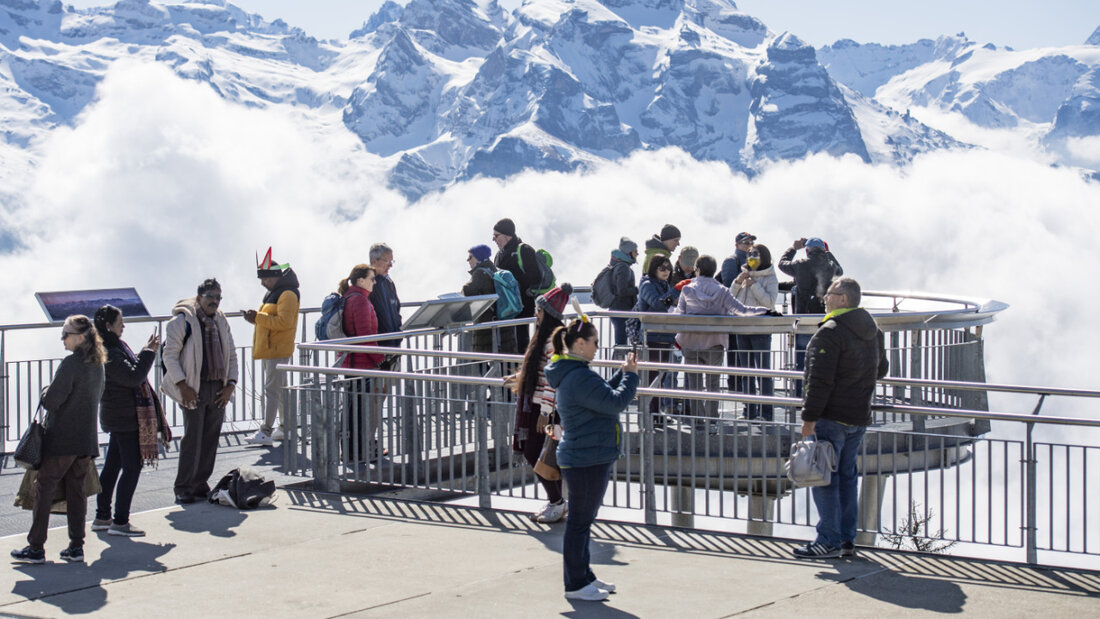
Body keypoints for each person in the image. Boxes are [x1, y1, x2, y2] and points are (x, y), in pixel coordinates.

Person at [544, 317, 639, 601]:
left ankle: (584, 576)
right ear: (580, 344)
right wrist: (632, 376)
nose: (598, 347)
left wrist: (622, 375)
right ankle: (575, 585)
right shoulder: (578, 376)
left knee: (583, 521)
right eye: (595, 342)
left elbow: (601, 395)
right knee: (579, 523)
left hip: (588, 455)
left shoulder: (576, 373)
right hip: (585, 457)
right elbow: (614, 402)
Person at [793, 277, 888, 559]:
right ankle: (847, 539)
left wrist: (808, 419)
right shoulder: (873, 331)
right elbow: (880, 370)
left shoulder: (830, 333)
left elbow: (819, 382)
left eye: (831, 293)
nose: (825, 296)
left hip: (831, 417)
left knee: (824, 478)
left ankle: (828, 540)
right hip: (859, 416)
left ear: (843, 299)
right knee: (847, 477)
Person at [11, 315, 105, 564]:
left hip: (62, 439)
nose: (62, 338)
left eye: (66, 333)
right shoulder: (97, 364)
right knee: (77, 491)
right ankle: (76, 547)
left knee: (44, 486)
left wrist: (45, 390)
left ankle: (36, 547)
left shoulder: (71, 364)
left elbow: (52, 400)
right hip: (86, 439)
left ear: (80, 337)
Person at [91, 305, 170, 537]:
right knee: (132, 467)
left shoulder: (111, 348)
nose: (123, 325)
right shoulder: (110, 351)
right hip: (124, 417)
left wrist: (145, 351)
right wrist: (148, 353)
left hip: (118, 415)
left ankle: (102, 516)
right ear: (108, 325)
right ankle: (120, 521)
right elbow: (133, 377)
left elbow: (130, 372)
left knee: (113, 466)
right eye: (120, 321)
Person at [164, 278, 239, 504]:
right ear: (199, 299)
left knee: (210, 438)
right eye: (210, 298)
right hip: (193, 387)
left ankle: (199, 482)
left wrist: (231, 385)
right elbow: (169, 356)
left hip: (217, 386)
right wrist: (182, 386)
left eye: (218, 298)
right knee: (192, 438)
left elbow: (232, 355)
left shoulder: (221, 321)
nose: (214, 302)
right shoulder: (181, 321)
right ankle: (183, 485)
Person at [506, 284, 573, 523]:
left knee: (536, 453)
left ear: (548, 314)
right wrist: (518, 377)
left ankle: (557, 502)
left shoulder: (555, 340)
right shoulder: (549, 337)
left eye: (539, 310)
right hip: (542, 406)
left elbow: (555, 379)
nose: (536, 314)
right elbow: (542, 371)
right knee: (543, 454)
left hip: (548, 409)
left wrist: (545, 411)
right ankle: (557, 501)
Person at [673, 255, 768, 426]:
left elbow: (678, 315)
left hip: (690, 342)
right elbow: (743, 310)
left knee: (694, 386)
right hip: (715, 343)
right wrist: (766, 311)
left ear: (698, 270)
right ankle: (711, 421)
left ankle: (697, 422)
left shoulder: (687, 290)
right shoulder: (723, 291)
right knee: (713, 385)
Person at [245, 249, 300, 446]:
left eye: (265, 278)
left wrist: (257, 318)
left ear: (275, 276)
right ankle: (285, 428)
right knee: (280, 389)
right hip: (273, 347)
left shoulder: (287, 294)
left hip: (277, 348)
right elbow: (273, 321)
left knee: (272, 390)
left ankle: (266, 430)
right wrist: (255, 319)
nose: (262, 282)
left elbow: (284, 322)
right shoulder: (276, 292)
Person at [778, 237, 844, 394]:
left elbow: (782, 264)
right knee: (822, 359)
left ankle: (801, 395)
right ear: (823, 251)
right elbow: (840, 271)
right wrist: (827, 253)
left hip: (803, 318)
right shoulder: (830, 265)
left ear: (807, 251)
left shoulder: (800, 264)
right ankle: (820, 394)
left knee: (802, 360)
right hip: (823, 319)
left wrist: (793, 248)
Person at [338, 264, 387, 464]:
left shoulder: (351, 297)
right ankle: (358, 451)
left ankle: (353, 451)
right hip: (361, 363)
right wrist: (380, 358)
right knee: (361, 409)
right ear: (361, 281)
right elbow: (366, 336)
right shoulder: (359, 301)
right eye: (371, 278)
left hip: (352, 361)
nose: (374, 282)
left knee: (354, 407)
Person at [729, 244, 779, 420]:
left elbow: (769, 303)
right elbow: (730, 298)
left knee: (763, 373)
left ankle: (766, 413)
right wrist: (737, 282)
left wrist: (754, 285)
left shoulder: (770, 277)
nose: (751, 257)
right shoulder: (742, 274)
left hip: (761, 330)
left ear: (764, 256)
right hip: (742, 329)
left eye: (755, 254)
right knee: (746, 372)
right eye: (749, 254)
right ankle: (749, 411)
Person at [630, 255, 679, 418]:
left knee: (661, 375)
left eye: (668, 268)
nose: (666, 271)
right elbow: (658, 305)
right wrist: (674, 291)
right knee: (652, 376)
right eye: (662, 268)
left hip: (664, 335)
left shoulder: (663, 284)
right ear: (654, 268)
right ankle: (651, 413)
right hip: (651, 336)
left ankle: (656, 412)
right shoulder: (647, 284)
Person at [492, 218, 541, 351]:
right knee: (506, 345)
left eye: (496, 236)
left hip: (522, 307)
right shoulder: (499, 255)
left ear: (507, 235)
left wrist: (512, 283)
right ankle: (510, 368)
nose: (493, 239)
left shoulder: (524, 250)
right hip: (504, 308)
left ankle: (521, 369)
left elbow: (536, 276)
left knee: (520, 344)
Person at [462, 243, 517, 354]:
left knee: (483, 362)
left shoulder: (480, 273)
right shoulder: (494, 270)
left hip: (487, 328)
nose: (468, 260)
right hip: (503, 324)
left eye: (470, 257)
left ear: (479, 257)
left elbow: (468, 290)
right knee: (505, 363)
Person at [368, 242, 403, 351]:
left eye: (391, 261)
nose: (390, 265)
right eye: (387, 261)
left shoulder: (389, 283)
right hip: (378, 348)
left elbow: (397, 309)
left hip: (394, 346)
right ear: (374, 261)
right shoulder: (367, 284)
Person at [606, 236, 639, 347]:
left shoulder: (618, 265)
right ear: (629, 252)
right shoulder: (623, 267)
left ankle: (616, 364)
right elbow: (622, 291)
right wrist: (636, 290)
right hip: (621, 310)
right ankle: (616, 364)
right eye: (635, 251)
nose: (637, 254)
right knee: (621, 344)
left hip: (618, 310)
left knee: (621, 343)